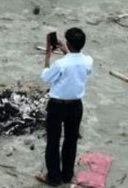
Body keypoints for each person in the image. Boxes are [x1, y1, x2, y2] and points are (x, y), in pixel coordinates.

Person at [37, 28, 94, 186]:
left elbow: (46, 77)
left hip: (57, 106)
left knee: (53, 141)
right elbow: (76, 66)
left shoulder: (60, 64)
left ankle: (53, 177)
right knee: (71, 140)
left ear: (68, 43)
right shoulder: (88, 60)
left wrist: (48, 54)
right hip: (76, 106)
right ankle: (67, 175)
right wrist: (66, 52)